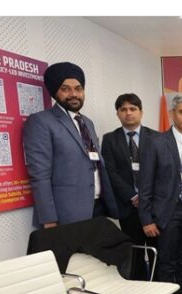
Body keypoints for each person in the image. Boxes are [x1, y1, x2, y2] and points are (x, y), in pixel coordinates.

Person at [23, 62, 118, 228]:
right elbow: (40, 175)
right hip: (66, 214)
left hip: (98, 207)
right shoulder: (41, 121)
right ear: (55, 92)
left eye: (78, 89)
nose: (74, 94)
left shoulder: (87, 122)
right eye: (65, 89)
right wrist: (48, 219)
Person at [138, 95, 182, 294]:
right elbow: (145, 183)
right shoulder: (156, 142)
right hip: (168, 211)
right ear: (172, 114)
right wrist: (146, 219)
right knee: (167, 261)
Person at [101, 93, 159, 280]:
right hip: (128, 207)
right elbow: (110, 172)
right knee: (133, 253)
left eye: (133, 109)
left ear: (141, 112)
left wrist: (146, 197)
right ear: (117, 113)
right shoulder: (110, 139)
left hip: (153, 206)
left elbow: (163, 172)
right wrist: (133, 196)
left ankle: (158, 287)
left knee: (158, 251)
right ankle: (138, 288)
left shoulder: (157, 137)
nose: (128, 113)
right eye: (123, 109)